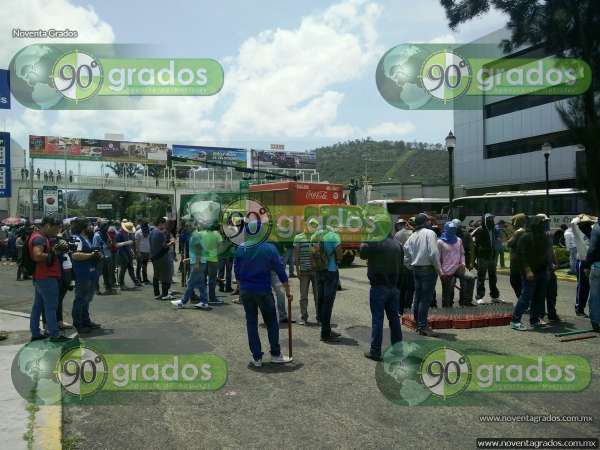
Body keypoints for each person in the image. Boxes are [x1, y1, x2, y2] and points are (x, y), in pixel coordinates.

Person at [234, 236, 293, 367]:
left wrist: (241, 287)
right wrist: (288, 291)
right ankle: (275, 354)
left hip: (246, 291)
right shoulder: (269, 248)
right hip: (263, 290)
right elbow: (280, 270)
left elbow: (236, 271)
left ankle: (257, 358)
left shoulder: (241, 247)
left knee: (251, 323)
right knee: (271, 322)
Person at [359, 217, 403, 361]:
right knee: (394, 320)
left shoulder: (373, 241)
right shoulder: (397, 244)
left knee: (378, 319)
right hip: (394, 287)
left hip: (379, 287)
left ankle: (375, 351)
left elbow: (362, 253)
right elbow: (402, 266)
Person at [29, 216, 72, 342]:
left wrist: (54, 250)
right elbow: (37, 256)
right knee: (51, 307)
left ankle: (36, 333)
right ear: (47, 225)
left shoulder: (40, 236)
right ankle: (55, 334)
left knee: (38, 306)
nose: (57, 231)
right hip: (46, 277)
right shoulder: (39, 238)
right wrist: (54, 252)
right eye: (56, 228)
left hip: (41, 277)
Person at [403, 213, 441, 337]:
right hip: (428, 269)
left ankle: (418, 324)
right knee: (425, 299)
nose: (430, 223)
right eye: (428, 221)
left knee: (418, 297)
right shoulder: (430, 233)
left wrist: (410, 266)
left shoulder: (413, 235)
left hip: (416, 269)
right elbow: (433, 253)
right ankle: (423, 326)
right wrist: (439, 269)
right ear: (425, 222)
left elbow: (406, 253)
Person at [511, 215, 550, 331]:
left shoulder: (544, 237)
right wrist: (528, 270)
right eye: (543, 223)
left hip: (541, 271)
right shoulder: (525, 237)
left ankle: (534, 320)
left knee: (539, 297)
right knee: (526, 297)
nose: (545, 225)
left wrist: (547, 269)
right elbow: (521, 256)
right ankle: (515, 320)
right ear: (536, 224)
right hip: (530, 272)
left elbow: (546, 254)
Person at [71, 218, 102, 334]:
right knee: (80, 299)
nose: (92, 227)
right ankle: (78, 324)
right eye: (90, 225)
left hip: (90, 272)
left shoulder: (86, 238)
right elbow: (75, 255)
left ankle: (86, 321)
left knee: (87, 299)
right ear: (83, 227)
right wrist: (91, 255)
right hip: (82, 273)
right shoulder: (76, 238)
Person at [312, 225, 343, 342]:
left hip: (319, 271)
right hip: (331, 271)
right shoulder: (334, 236)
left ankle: (325, 327)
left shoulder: (314, 236)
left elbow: (312, 254)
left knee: (321, 299)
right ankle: (325, 333)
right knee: (328, 302)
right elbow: (339, 254)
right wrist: (337, 260)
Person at [171, 221, 211, 310]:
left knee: (190, 282)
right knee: (200, 284)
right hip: (200, 262)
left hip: (198, 263)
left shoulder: (195, 235)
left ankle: (183, 302)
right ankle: (204, 302)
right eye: (186, 225)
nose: (187, 227)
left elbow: (199, 249)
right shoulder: (196, 234)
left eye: (188, 226)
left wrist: (196, 263)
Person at [437, 222, 475, 308]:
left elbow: (462, 254)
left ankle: (467, 301)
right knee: (448, 290)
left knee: (471, 278)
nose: (452, 231)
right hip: (446, 270)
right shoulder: (440, 242)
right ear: (446, 229)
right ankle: (447, 307)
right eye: (450, 229)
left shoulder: (458, 240)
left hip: (458, 268)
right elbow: (437, 259)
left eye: (454, 229)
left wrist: (463, 263)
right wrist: (440, 272)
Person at [536, 214, 561, 323]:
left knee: (552, 293)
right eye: (544, 222)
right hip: (542, 268)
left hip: (550, 268)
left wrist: (555, 262)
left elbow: (551, 250)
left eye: (547, 222)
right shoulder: (536, 236)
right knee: (541, 294)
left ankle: (552, 314)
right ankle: (540, 316)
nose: (546, 224)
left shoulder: (549, 235)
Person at [293, 220, 318, 325]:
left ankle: (319, 317)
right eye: (311, 225)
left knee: (318, 295)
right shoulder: (298, 237)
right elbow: (296, 255)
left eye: (315, 226)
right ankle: (304, 317)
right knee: (303, 296)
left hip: (316, 271)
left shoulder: (317, 237)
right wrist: (297, 270)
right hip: (304, 271)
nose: (312, 227)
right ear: (306, 225)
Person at [472, 213, 501, 304]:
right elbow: (473, 242)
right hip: (483, 256)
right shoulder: (479, 230)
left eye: (492, 219)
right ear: (485, 220)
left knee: (493, 277)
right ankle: (479, 297)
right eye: (489, 219)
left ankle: (494, 296)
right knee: (481, 277)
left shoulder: (494, 230)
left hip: (492, 255)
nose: (492, 221)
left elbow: (497, 241)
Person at [571, 215, 593, 317]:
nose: (588, 225)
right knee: (583, 286)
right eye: (586, 223)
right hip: (582, 261)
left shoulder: (592, 232)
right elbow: (573, 222)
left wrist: (588, 217)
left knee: (588, 287)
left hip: (591, 261)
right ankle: (579, 308)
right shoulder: (578, 232)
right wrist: (581, 217)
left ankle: (583, 308)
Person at [150, 217, 176, 300]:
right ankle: (165, 294)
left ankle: (156, 293)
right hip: (162, 257)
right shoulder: (160, 233)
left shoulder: (152, 231)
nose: (165, 225)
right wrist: (172, 242)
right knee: (166, 275)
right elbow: (164, 246)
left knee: (156, 275)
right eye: (164, 224)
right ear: (160, 223)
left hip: (154, 257)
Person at [199, 224, 223, 305]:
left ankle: (203, 297)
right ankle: (212, 298)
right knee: (212, 280)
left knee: (203, 280)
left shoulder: (201, 233)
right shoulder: (217, 234)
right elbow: (220, 247)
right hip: (213, 259)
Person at [394, 219, 414, 312]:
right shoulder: (414, 233)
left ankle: (400, 309)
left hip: (400, 264)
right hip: (411, 265)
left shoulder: (397, 235)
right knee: (409, 289)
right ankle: (407, 309)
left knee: (401, 288)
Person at [506, 213, 528, 299]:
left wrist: (510, 234)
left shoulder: (519, 231)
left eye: (513, 221)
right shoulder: (524, 230)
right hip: (519, 262)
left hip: (517, 263)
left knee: (515, 281)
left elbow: (509, 243)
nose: (512, 223)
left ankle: (523, 302)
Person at [92, 222, 117, 295]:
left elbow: (110, 243)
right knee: (98, 274)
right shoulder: (97, 235)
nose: (107, 229)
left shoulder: (106, 234)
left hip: (108, 256)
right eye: (106, 227)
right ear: (102, 228)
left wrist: (110, 244)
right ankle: (96, 289)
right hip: (101, 257)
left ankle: (108, 288)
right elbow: (95, 247)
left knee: (106, 273)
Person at [585, 216, 600, 332]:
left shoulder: (597, 228)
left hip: (597, 266)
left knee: (595, 295)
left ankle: (595, 321)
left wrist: (586, 265)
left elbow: (592, 249)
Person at [116, 221, 141, 289]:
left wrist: (131, 250)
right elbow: (116, 245)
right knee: (123, 269)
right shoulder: (119, 234)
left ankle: (136, 282)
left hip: (128, 252)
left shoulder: (127, 234)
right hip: (122, 253)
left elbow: (129, 244)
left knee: (131, 268)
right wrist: (126, 243)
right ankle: (121, 284)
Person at [134, 220, 151, 284]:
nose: (146, 227)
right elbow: (136, 243)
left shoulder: (148, 231)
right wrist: (137, 252)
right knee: (139, 266)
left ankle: (145, 279)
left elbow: (149, 241)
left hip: (147, 251)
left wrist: (150, 251)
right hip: (140, 251)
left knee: (145, 266)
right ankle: (138, 278)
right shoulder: (138, 232)